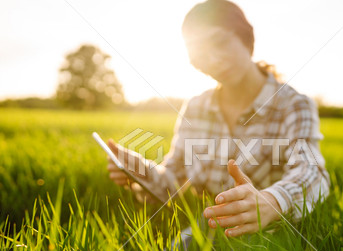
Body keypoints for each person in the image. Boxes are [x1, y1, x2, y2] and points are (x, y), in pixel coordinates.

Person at [106, 0, 330, 238]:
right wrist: (142, 174)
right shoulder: (195, 108)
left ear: (245, 37)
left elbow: (312, 172)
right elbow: (173, 182)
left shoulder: (294, 105)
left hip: (271, 234)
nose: (213, 60)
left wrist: (271, 201)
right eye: (201, 55)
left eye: (220, 43)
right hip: (212, 227)